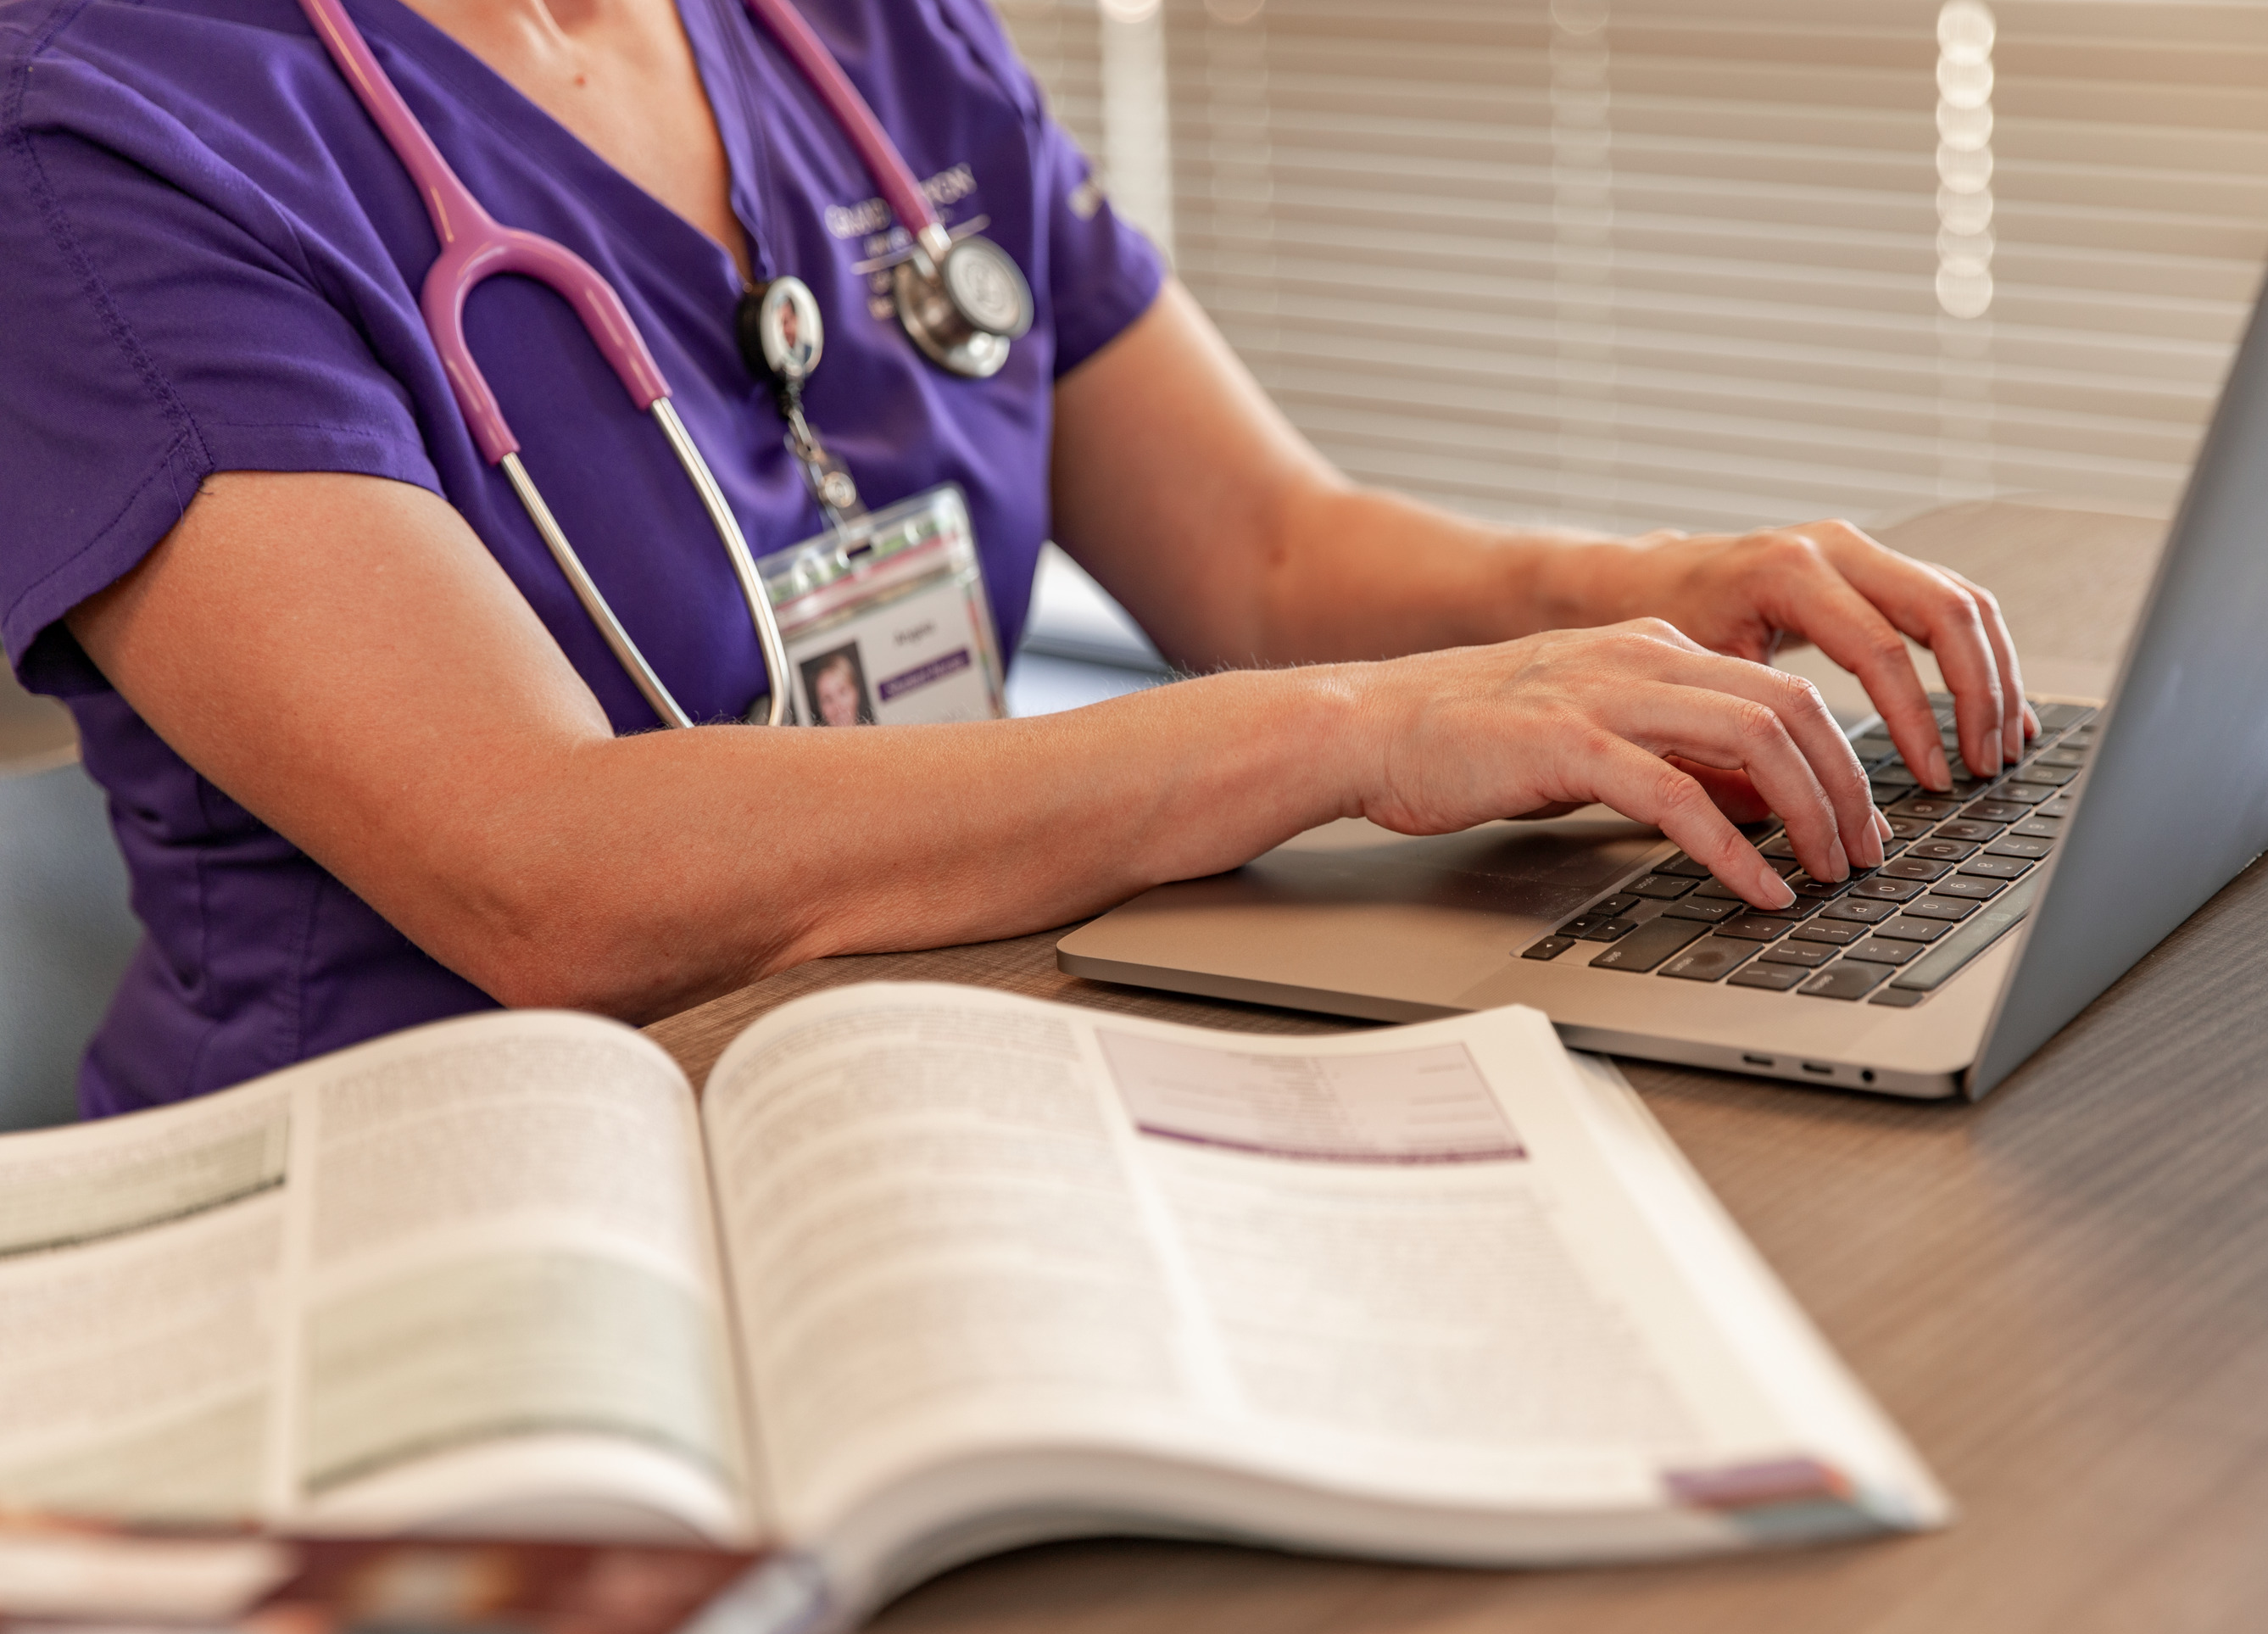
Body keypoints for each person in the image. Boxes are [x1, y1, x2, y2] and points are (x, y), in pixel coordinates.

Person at [0, 0, 2035, 1117]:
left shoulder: (856, 37)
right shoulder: (104, 139)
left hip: (931, 1080)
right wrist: (1362, 730)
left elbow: (1261, 545)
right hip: (430, 1202)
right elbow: (544, 870)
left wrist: (1639, 599)